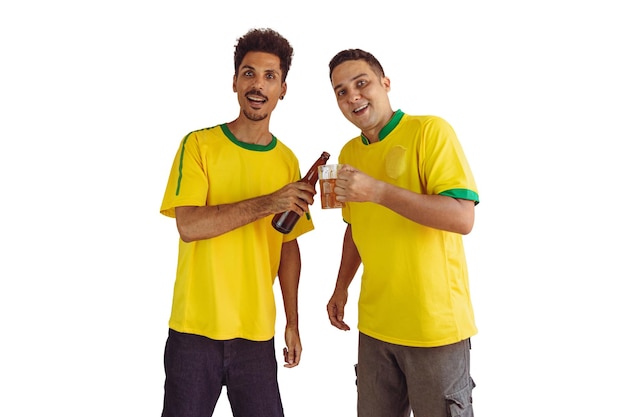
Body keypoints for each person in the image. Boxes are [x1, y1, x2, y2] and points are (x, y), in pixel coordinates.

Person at [159, 28, 316, 417]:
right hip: (194, 334)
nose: (258, 85)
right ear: (234, 82)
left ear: (283, 88)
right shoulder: (198, 145)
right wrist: (270, 201)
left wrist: (292, 322)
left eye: (269, 76)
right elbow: (190, 226)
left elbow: (288, 244)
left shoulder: (287, 161)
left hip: (256, 337)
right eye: (248, 73)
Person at [325, 48, 479, 417]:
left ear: (385, 83)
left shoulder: (430, 131)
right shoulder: (349, 152)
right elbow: (355, 226)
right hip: (376, 328)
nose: (352, 97)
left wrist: (378, 191)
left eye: (361, 83)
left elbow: (462, 218)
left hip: (434, 327)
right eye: (341, 92)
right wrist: (341, 286)